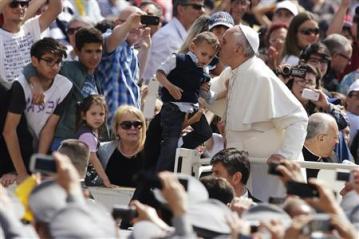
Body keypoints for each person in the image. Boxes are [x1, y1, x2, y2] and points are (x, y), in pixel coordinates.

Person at [213, 24, 308, 202]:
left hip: (272, 175)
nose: (219, 44)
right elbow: (207, 96)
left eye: (223, 42)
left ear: (238, 49)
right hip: (245, 173)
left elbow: (299, 118)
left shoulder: (260, 75)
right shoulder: (233, 71)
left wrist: (285, 155)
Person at [23, 27, 108, 150]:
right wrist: (36, 84)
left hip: (88, 142)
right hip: (64, 140)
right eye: (89, 51)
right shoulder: (68, 68)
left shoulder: (99, 77)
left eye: (98, 51)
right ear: (77, 51)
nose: (94, 56)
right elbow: (30, 66)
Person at [2, 38, 72, 185]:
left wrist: (37, 169)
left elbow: (49, 128)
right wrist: (21, 173)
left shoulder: (65, 85)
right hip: (15, 144)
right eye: (48, 61)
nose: (54, 67)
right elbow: (9, 130)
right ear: (34, 61)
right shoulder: (21, 85)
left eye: (58, 62)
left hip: (39, 143)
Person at [155, 31, 219, 172]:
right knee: (170, 142)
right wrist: (170, 86)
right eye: (204, 54)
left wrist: (207, 90)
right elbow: (159, 73)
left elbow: (204, 95)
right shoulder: (178, 59)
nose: (206, 59)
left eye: (210, 57)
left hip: (192, 108)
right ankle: (159, 177)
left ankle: (179, 145)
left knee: (205, 133)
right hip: (173, 107)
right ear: (192, 47)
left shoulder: (204, 71)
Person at [96, 6, 149, 124]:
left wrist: (145, 48)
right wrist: (129, 23)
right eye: (131, 21)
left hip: (129, 125)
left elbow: (137, 79)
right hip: (110, 125)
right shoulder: (109, 38)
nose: (136, 27)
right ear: (117, 23)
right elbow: (114, 38)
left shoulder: (131, 50)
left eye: (140, 24)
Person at [0, 0, 62, 89]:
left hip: (40, 92)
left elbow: (56, 9)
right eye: (14, 4)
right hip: (10, 96)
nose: (20, 8)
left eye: (24, 4)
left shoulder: (31, 27)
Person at [142, 0, 205, 83]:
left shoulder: (182, 34)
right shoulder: (166, 36)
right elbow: (156, 79)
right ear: (181, 10)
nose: (202, 11)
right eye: (197, 7)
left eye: (202, 6)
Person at [98, 105, 146, 187]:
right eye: (126, 125)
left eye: (137, 124)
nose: (132, 128)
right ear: (116, 129)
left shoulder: (153, 151)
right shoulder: (103, 150)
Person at [76, 95, 116, 188]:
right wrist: (106, 180)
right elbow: (93, 159)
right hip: (83, 178)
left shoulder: (92, 131)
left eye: (101, 114)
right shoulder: (87, 135)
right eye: (93, 114)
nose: (98, 118)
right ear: (83, 115)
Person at [303, 112, 339, 179]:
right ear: (321, 138)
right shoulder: (296, 159)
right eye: (335, 137)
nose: (337, 142)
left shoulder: (332, 158)